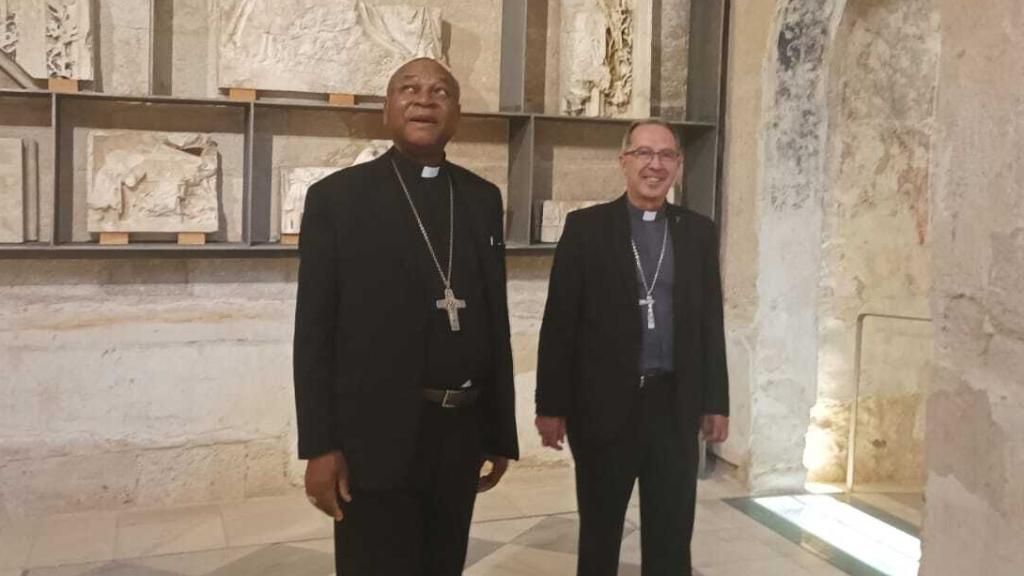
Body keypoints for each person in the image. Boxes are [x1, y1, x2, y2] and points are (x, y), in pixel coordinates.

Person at [293, 57, 518, 576]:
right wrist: (320, 446)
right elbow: (313, 334)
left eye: (440, 92)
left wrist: (498, 431)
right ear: (387, 109)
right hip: (373, 441)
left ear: (456, 112)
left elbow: (494, 321)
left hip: (459, 434)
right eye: (409, 89)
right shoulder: (337, 199)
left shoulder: (481, 199)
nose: (424, 100)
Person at [535, 118, 729, 575]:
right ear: (623, 161)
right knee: (600, 530)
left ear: (678, 165)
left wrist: (716, 402)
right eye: (643, 153)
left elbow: (710, 322)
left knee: (672, 532)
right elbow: (560, 321)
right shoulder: (587, 228)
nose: (654, 165)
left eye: (666, 155)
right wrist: (550, 405)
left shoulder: (697, 232)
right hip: (602, 408)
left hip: (673, 406)